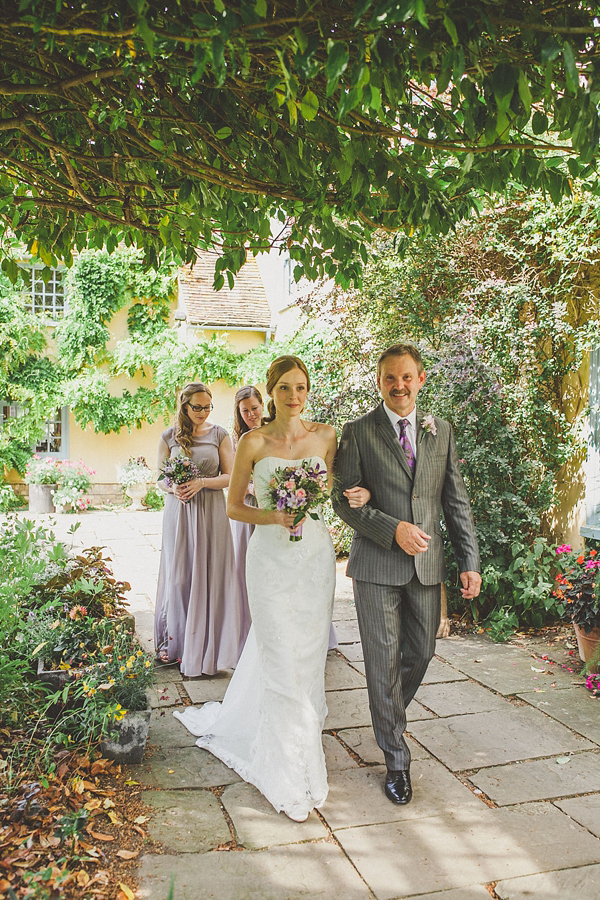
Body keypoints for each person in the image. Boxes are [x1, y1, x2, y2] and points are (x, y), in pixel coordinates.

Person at [174, 356, 369, 822]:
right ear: (271, 391)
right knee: (280, 654)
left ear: (308, 390)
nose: (294, 395)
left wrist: (359, 495)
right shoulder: (252, 442)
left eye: (301, 387)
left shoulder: (326, 436)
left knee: (306, 658)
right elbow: (235, 507)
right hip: (270, 561)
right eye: (284, 388)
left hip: (314, 559)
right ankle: (286, 772)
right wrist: (275, 516)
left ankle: (300, 748)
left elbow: (339, 489)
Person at [333, 343, 481, 806]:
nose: (398, 386)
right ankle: (397, 760)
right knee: (381, 660)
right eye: (389, 378)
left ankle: (387, 715)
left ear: (420, 379)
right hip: (377, 565)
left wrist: (469, 562)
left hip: (426, 566)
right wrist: (390, 528)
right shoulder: (358, 432)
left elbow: (453, 500)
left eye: (406, 377)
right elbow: (344, 500)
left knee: (420, 651)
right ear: (379, 382)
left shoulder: (442, 431)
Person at [154, 382, 250, 676]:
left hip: (210, 512)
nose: (203, 412)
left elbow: (232, 477)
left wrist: (201, 483)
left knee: (210, 576)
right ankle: (177, 644)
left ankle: (209, 648)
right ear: (184, 406)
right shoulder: (168, 437)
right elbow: (159, 478)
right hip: (179, 513)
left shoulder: (219, 434)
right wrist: (174, 488)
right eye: (197, 407)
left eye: (207, 406)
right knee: (179, 575)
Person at [229, 385, 265, 616]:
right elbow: (236, 477)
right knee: (247, 560)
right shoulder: (236, 440)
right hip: (248, 504)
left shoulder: (274, 430)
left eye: (254, 408)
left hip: (273, 504)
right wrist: (255, 488)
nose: (251, 414)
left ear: (262, 405)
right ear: (239, 413)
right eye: (245, 411)